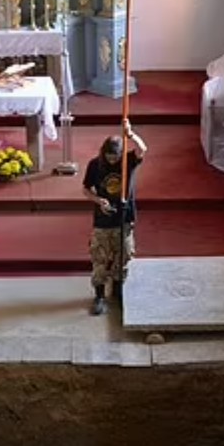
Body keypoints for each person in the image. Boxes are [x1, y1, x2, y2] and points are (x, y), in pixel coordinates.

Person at [82, 119, 147, 315]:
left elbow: (143, 149)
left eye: (115, 157)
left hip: (124, 217)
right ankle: (99, 294)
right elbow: (86, 189)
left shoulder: (128, 161)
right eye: (109, 157)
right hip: (103, 219)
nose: (112, 161)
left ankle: (118, 290)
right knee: (100, 257)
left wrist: (131, 134)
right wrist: (98, 200)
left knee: (124, 254)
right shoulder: (95, 164)